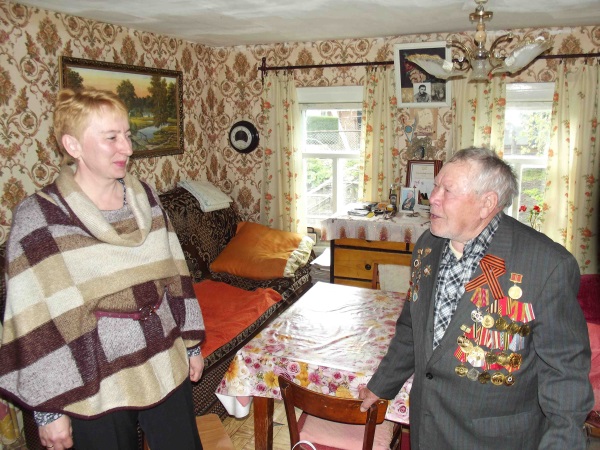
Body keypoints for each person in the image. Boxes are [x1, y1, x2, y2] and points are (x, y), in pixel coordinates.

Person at [0, 88, 206, 450]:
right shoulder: (40, 218)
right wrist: (49, 410)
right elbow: (34, 315)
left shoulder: (146, 198)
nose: (127, 148)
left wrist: (190, 345)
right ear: (73, 145)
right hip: (93, 377)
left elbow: (175, 274)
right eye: (111, 137)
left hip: (163, 356)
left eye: (127, 135)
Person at [360, 147, 593, 449]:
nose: (433, 198)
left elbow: (565, 374)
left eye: (448, 190)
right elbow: (412, 329)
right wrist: (381, 385)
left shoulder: (547, 265)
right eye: (436, 186)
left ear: (487, 204)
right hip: (427, 429)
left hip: (495, 440)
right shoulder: (428, 245)